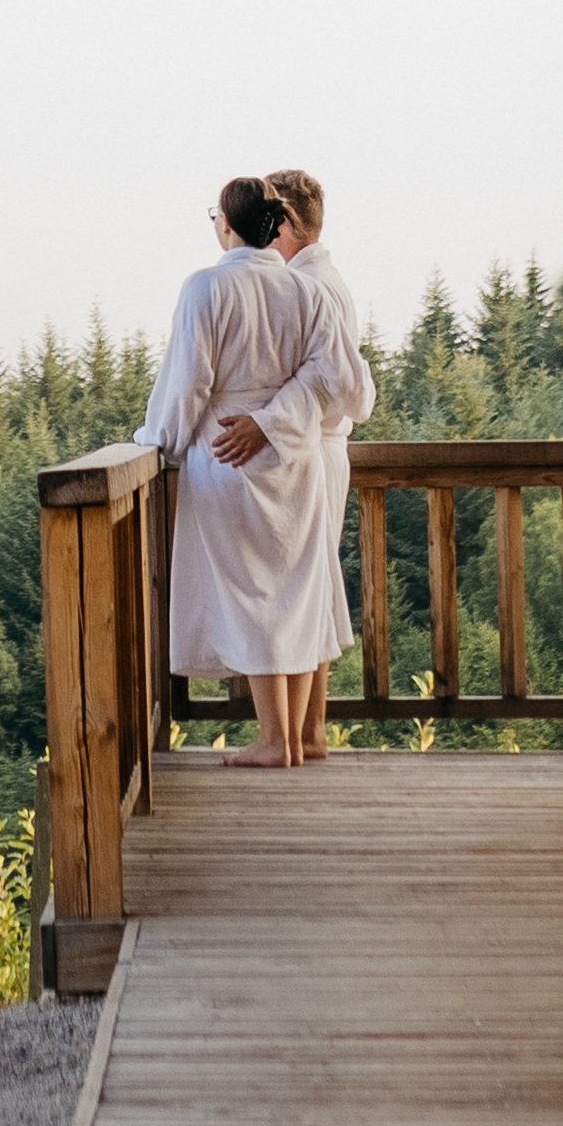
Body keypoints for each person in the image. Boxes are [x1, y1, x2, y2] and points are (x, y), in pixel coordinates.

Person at [143, 176, 352, 768]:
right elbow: (334, 378)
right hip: (297, 461)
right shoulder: (306, 292)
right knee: (292, 592)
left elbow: (189, 385)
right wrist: (279, 419)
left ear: (226, 224)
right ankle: (292, 739)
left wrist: (160, 442)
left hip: (228, 456)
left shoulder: (205, 288)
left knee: (254, 595)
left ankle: (273, 740)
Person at [258, 168, 370, 762]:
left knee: (301, 589)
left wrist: (266, 420)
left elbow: (332, 381)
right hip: (322, 449)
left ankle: (301, 732)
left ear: (287, 224)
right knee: (315, 584)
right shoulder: (321, 278)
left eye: (268, 221)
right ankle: (309, 732)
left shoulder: (315, 285)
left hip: (314, 450)